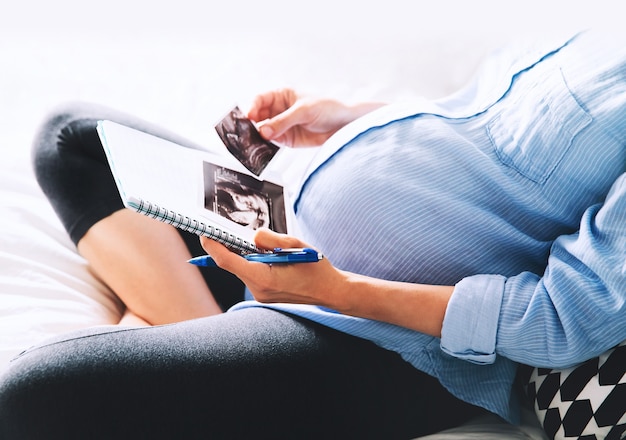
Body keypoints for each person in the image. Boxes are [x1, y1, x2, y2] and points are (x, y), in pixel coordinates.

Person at [0, 30, 624, 440]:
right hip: (279, 229)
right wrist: (349, 119)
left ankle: (180, 327)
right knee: (73, 136)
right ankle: (195, 328)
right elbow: (471, 123)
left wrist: (333, 289)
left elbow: (561, 317)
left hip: (368, 328)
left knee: (32, 397)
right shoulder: (602, 38)